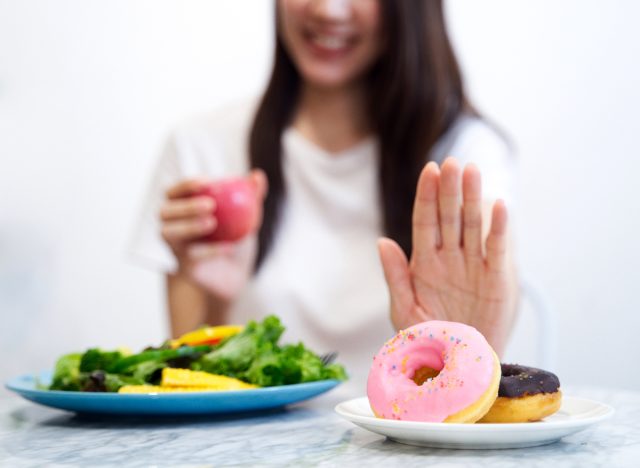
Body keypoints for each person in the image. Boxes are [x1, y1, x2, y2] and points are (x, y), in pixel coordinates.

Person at [130, 0, 519, 387]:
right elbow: (187, 390)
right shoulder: (201, 148)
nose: (329, 10)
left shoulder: (465, 152)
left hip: (409, 443)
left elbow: (474, 373)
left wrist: (461, 340)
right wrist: (219, 302)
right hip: (252, 445)